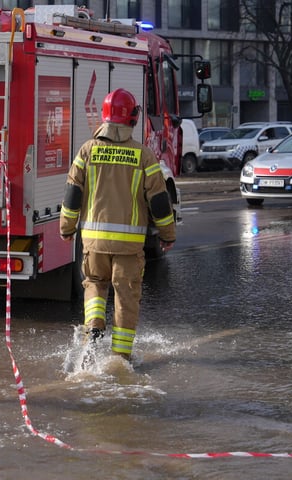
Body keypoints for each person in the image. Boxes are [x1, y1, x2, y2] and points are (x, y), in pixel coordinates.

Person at [59, 88, 176, 362]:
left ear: (104, 117)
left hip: (93, 243)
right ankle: (120, 357)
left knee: (95, 284)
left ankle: (94, 328)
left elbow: (72, 194)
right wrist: (168, 235)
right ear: (133, 119)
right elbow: (160, 202)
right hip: (129, 246)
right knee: (126, 297)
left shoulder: (87, 151)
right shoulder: (144, 156)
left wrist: (66, 228)